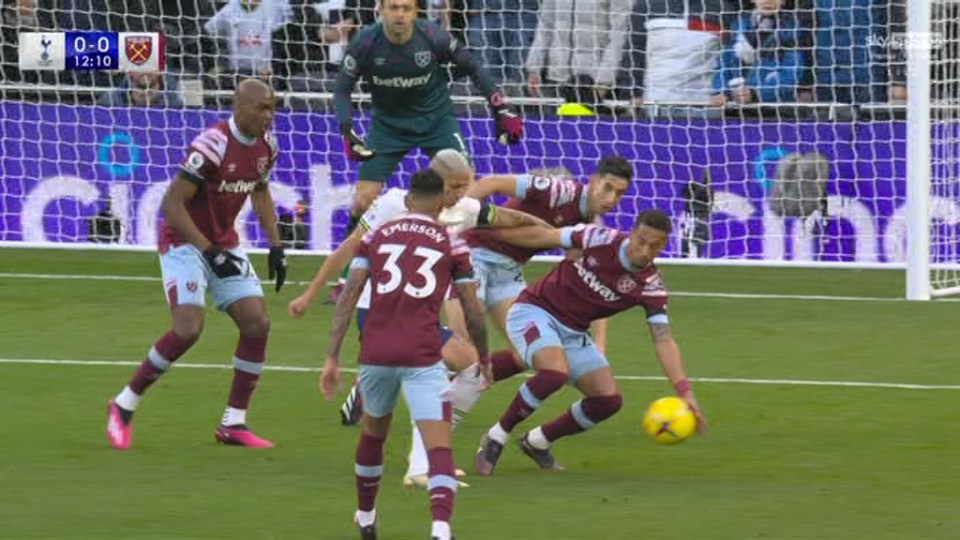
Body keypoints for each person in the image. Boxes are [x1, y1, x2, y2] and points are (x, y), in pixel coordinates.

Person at [288, 149, 545, 485]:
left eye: (465, 186)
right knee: (455, 368)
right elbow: (349, 247)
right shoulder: (391, 204)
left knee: (464, 369)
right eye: (454, 187)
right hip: (378, 308)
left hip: (417, 315)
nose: (460, 194)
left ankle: (421, 453)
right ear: (434, 182)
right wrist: (311, 292)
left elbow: (512, 220)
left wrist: (563, 236)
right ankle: (424, 462)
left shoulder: (465, 208)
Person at [106, 79, 288, 450]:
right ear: (240, 108)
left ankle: (234, 423)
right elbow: (172, 205)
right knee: (188, 328)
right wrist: (208, 252)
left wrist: (276, 245)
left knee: (257, 323)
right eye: (263, 108)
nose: (269, 116)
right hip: (185, 243)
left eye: (272, 107)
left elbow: (262, 191)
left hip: (224, 244)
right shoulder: (211, 146)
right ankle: (125, 403)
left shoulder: (268, 146)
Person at [319, 168, 489, 540]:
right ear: (440, 203)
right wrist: (486, 357)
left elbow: (349, 295)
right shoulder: (451, 242)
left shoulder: (377, 236)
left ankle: (365, 517)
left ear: (409, 200)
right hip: (423, 355)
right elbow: (472, 308)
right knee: (438, 444)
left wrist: (332, 356)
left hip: (376, 353)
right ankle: (441, 530)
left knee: (373, 435)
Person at [474, 211, 709, 475]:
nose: (644, 250)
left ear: (664, 245)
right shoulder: (598, 238)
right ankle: (496, 436)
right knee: (554, 372)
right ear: (631, 233)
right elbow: (545, 235)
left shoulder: (651, 286)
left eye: (654, 245)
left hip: (573, 332)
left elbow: (663, 339)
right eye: (641, 240)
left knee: (607, 400)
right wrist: (483, 236)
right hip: (534, 310)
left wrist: (685, 392)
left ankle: (537, 442)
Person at [333, 0, 524, 264]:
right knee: (363, 200)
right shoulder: (364, 44)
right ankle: (348, 271)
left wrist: (499, 106)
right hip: (388, 126)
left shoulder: (433, 36)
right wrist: (346, 129)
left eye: (406, 8)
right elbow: (342, 88)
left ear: (416, 12)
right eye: (393, 7)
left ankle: (473, 261)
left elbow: (473, 66)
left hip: (436, 122)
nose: (400, 14)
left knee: (466, 191)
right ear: (381, 10)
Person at [459, 156, 634, 385]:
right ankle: (432, 391)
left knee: (526, 354)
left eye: (620, 194)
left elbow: (595, 284)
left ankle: (449, 400)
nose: (611, 199)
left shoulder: (591, 230)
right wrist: (456, 214)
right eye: (607, 188)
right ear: (593, 181)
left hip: (508, 273)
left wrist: (599, 346)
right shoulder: (558, 191)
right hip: (474, 256)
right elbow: (491, 183)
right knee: (462, 349)